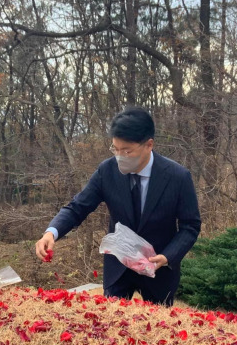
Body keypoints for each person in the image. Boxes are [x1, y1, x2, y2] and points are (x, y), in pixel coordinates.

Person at [35, 106, 201, 306]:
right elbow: (77, 207)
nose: (120, 156)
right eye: (116, 149)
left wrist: (167, 256)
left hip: (159, 269)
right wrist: (51, 233)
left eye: (127, 151)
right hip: (119, 268)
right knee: (111, 327)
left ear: (149, 145)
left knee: (159, 331)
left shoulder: (177, 177)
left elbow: (190, 226)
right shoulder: (107, 171)